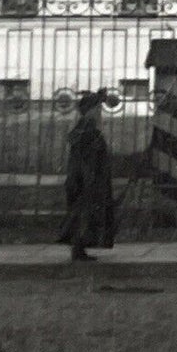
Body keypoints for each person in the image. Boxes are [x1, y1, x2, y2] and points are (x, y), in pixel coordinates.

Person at [58, 88, 115, 262]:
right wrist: (91, 179)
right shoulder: (88, 130)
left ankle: (79, 250)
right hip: (87, 179)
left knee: (81, 214)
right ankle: (78, 249)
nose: (99, 114)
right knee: (84, 214)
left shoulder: (85, 128)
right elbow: (88, 157)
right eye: (97, 109)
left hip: (82, 178)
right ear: (90, 111)